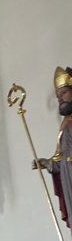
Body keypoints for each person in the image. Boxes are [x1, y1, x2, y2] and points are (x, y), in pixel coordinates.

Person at [45, 66, 72, 230]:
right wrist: (49, 163)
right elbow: (61, 155)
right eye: (58, 96)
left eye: (63, 93)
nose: (60, 99)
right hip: (68, 178)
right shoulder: (64, 126)